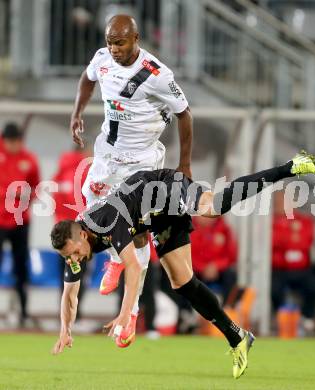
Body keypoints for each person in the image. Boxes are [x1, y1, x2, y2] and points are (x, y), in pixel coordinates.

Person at [50, 150, 315, 378]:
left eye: (73, 253)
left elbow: (133, 267)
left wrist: (125, 313)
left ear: (82, 235)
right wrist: (65, 330)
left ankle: (292, 166)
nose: (74, 259)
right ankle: (238, 337)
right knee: (182, 282)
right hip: (154, 217)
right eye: (69, 257)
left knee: (212, 207)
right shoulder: (76, 246)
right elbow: (69, 293)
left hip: (163, 186)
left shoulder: (105, 222)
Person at [70, 14, 192, 339]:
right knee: (91, 202)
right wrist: (77, 112)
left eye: (120, 43)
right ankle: (114, 259)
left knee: (138, 233)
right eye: (110, 42)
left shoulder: (157, 74)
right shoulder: (102, 58)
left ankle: (132, 315)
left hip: (141, 159)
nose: (114, 49)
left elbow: (184, 113)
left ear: (136, 38)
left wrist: (186, 164)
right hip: (109, 153)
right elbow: (87, 77)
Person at [0, 122, 40, 326]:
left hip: (20, 220)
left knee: (20, 268)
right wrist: (9, 193)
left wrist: (26, 197)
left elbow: (35, 187)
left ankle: (23, 313)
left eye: (16, 141)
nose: (13, 145)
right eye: (10, 141)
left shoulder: (29, 159)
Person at [271, 190, 315, 332]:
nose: (280, 205)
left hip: (302, 269)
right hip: (280, 269)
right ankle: (281, 317)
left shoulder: (304, 221)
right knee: (274, 289)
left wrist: (285, 240)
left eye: (284, 201)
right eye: (278, 201)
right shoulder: (272, 222)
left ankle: (307, 317)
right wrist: (290, 238)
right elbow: (273, 241)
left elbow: (306, 242)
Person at [52, 145, 91, 319]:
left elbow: (56, 200)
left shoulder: (61, 171)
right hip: (80, 233)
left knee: (67, 273)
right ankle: (75, 315)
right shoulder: (87, 172)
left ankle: (65, 314)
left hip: (63, 233)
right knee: (79, 272)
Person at [191, 215, 237, 305]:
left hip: (218, 271)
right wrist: (203, 268)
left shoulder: (224, 229)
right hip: (197, 270)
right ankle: (186, 310)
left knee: (231, 274)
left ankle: (228, 308)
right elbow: (187, 254)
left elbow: (231, 255)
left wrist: (216, 266)